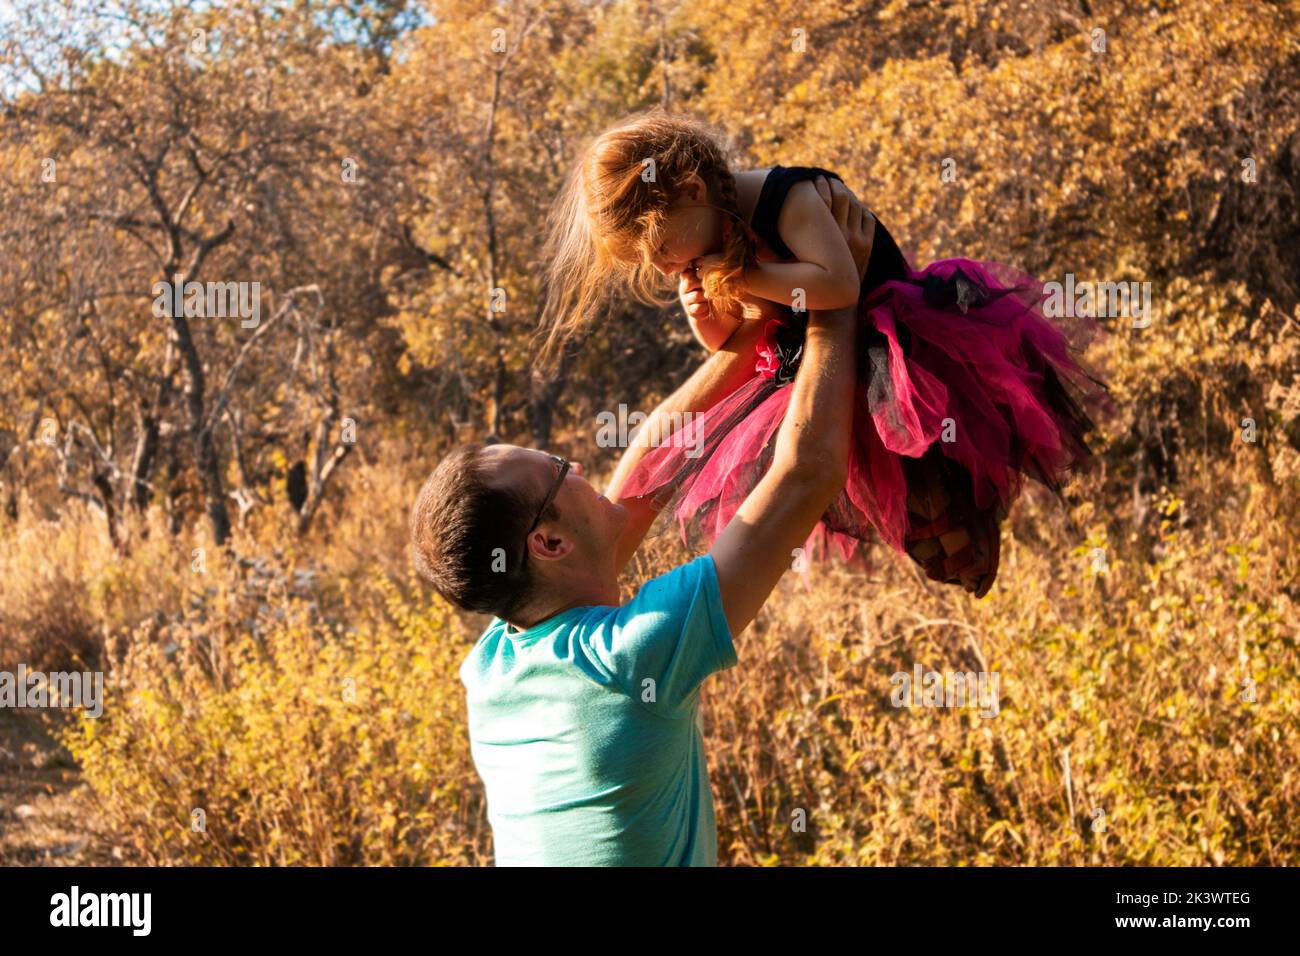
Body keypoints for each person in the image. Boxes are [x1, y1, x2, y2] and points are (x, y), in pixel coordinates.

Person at [407, 179, 872, 865]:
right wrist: (837, 300)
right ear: (550, 541)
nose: (584, 469)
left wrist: (761, 331)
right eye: (559, 467)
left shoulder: (492, 668)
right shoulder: (633, 657)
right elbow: (807, 474)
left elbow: (655, 456)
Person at [538, 109, 1113, 596]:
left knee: (936, 479)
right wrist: (705, 315)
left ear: (691, 192)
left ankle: (970, 533)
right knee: (903, 511)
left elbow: (839, 285)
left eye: (661, 248)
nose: (665, 268)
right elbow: (739, 343)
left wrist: (746, 274)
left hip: (890, 350)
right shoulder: (702, 237)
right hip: (810, 368)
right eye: (650, 264)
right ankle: (949, 545)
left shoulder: (787, 196)